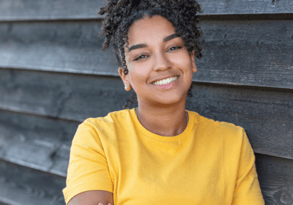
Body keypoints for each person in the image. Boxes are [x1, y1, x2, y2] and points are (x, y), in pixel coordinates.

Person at [63, 0, 265, 204]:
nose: (162, 64)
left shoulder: (232, 142)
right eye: (142, 56)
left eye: (173, 47)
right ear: (125, 76)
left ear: (191, 59)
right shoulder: (98, 138)